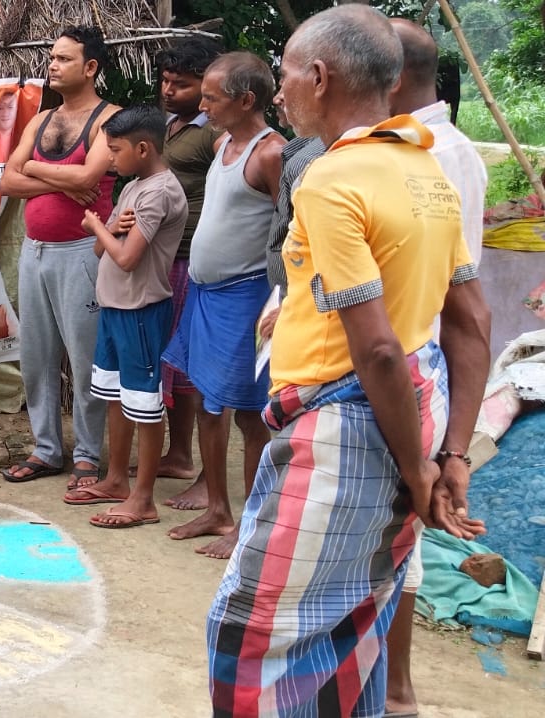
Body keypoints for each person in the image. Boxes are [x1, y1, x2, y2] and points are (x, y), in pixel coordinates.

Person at [207, 7, 492, 715]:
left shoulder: (332, 179)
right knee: (354, 624)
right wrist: (450, 454)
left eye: (284, 76)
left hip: (349, 427)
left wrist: (418, 469)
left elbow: (378, 347)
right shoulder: (424, 169)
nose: (279, 93)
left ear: (319, 76)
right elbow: (471, 322)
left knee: (252, 635)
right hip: (408, 417)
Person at [383, 18, 491, 718]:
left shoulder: (436, 156)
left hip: (408, 371)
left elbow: (461, 308)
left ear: (388, 79)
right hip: (400, 367)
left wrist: (454, 446)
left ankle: (396, 691)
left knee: (402, 534)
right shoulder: (405, 148)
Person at [158, 52, 284, 552]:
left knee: (250, 414)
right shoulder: (225, 145)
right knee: (208, 404)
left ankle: (249, 528)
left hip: (246, 297)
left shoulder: (271, 153)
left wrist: (283, 300)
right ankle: (217, 509)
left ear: (245, 100)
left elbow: (291, 230)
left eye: (211, 97)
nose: (203, 106)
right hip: (205, 294)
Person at [0, 26, 118, 488]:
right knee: (36, 356)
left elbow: (89, 176)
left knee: (85, 359)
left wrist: (33, 168)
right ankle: (45, 449)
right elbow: (7, 181)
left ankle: (87, 455)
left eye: (64, 59)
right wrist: (61, 181)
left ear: (90, 67)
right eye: (52, 57)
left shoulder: (110, 119)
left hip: (82, 252)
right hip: (36, 252)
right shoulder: (43, 119)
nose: (53, 65)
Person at [64, 105, 188, 527]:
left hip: (141, 311)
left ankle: (143, 499)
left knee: (144, 404)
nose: (109, 159)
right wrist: (108, 228)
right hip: (116, 308)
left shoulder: (159, 192)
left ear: (143, 148)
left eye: (115, 151)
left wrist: (98, 225)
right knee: (117, 395)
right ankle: (116, 479)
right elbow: (102, 249)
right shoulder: (134, 186)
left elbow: (127, 258)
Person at [153, 37, 224, 503]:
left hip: (189, 258)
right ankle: (177, 454)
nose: (169, 90)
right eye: (165, 81)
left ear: (206, 85)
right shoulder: (168, 125)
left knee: (190, 367)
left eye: (181, 84)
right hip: (161, 255)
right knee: (172, 362)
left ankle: (191, 460)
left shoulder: (214, 134)